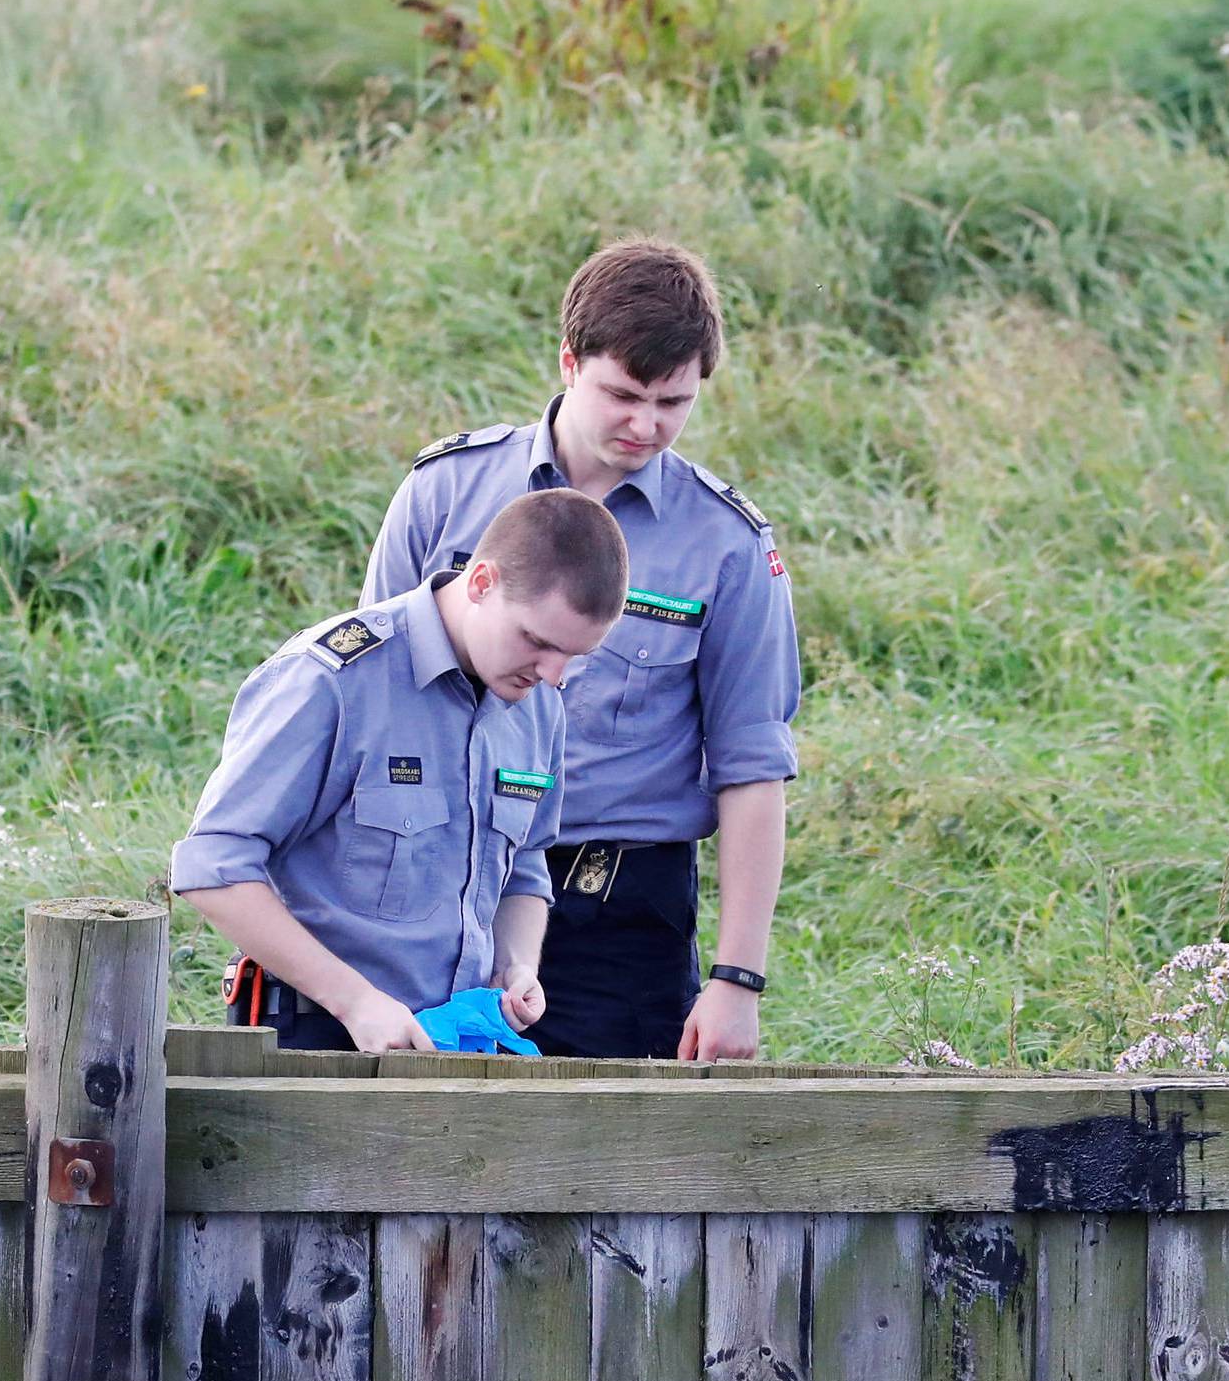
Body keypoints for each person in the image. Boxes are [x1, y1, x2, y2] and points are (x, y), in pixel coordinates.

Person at [362, 238, 798, 1061]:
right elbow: (368, 705)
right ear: (569, 362)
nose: (647, 425)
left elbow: (753, 766)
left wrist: (738, 980)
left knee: (620, 1176)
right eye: (624, 395)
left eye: (675, 402)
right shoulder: (445, 493)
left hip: (619, 914)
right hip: (441, 884)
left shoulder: (726, 546)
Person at [172, 490, 627, 1053]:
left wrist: (516, 965)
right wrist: (356, 1002)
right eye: (536, 640)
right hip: (317, 1038)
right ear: (482, 583)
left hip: (456, 1045)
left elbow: (526, 863)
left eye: (575, 656)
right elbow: (213, 867)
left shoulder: (538, 706)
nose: (553, 674)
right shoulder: (333, 680)